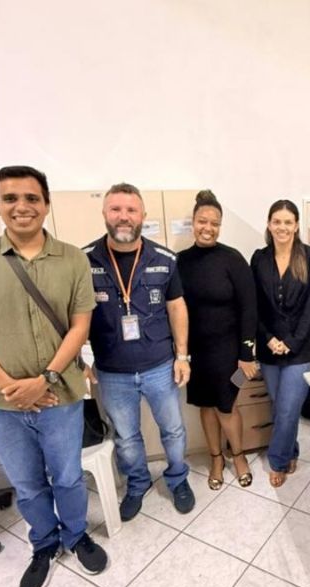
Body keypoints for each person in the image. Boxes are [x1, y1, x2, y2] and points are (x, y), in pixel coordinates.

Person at [0, 165, 108, 587]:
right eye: (10, 198)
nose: (21, 206)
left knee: (68, 477)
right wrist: (11, 387)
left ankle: (76, 535)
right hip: (1, 403)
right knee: (28, 484)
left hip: (60, 398)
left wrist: (44, 380)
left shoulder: (72, 258)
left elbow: (79, 327)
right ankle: (44, 544)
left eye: (31, 198)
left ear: (46, 204)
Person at [85, 182, 195, 521]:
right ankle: (137, 483)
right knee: (126, 437)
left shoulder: (164, 259)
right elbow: (75, 314)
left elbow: (176, 307)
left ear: (142, 215)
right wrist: (78, 360)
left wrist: (182, 356)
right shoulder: (83, 260)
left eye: (131, 210)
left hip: (159, 365)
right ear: (104, 213)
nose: (124, 216)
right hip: (111, 370)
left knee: (173, 430)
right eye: (116, 209)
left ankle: (177, 479)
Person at [177, 190, 258, 490]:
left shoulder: (232, 259)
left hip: (231, 354)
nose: (208, 228)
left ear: (220, 226)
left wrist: (247, 354)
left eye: (214, 223)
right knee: (206, 406)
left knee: (227, 405)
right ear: (193, 222)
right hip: (196, 353)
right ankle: (215, 458)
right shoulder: (180, 261)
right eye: (202, 221)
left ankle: (238, 455)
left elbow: (250, 308)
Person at [251, 200, 310, 488]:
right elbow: (254, 305)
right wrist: (268, 338)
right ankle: (291, 450)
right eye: (277, 221)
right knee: (280, 405)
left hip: (300, 348)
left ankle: (278, 461)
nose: (282, 227)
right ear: (269, 225)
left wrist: (291, 343)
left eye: (287, 222)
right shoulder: (259, 258)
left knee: (287, 408)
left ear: (296, 226)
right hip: (268, 346)